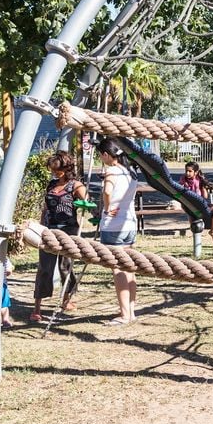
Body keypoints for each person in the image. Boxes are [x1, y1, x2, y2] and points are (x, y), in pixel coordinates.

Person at [31, 151, 89, 322]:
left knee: (65, 267)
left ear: (66, 167)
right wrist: (41, 226)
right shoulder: (51, 185)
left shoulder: (75, 186)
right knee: (44, 268)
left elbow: (87, 201)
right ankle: (37, 307)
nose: (55, 173)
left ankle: (67, 299)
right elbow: (45, 208)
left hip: (68, 231)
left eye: (58, 170)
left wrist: (86, 205)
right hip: (49, 231)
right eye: (53, 170)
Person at [97, 137, 139, 325]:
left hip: (114, 225)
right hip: (130, 224)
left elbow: (107, 191)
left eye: (101, 156)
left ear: (106, 155)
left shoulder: (112, 171)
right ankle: (131, 311)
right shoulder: (129, 172)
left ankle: (124, 315)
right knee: (129, 267)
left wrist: (106, 209)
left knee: (118, 269)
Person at [180, 161, 213, 243]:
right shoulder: (183, 179)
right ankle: (194, 233)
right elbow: (179, 189)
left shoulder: (200, 179)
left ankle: (212, 231)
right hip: (189, 204)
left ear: (195, 172)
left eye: (190, 171)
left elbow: (205, 197)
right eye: (186, 171)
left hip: (201, 203)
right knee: (192, 215)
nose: (187, 173)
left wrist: (203, 187)